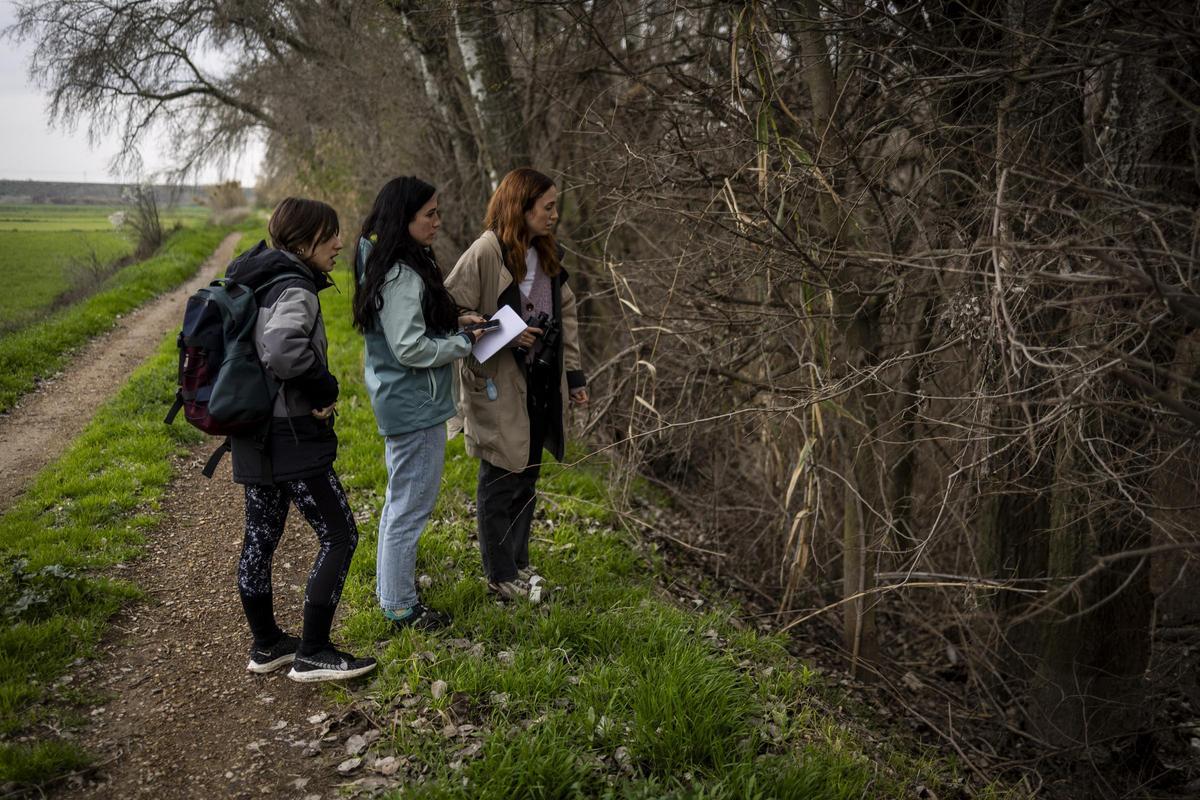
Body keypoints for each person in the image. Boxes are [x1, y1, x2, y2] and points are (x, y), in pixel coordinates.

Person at [227, 197, 376, 683]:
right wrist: (324, 388)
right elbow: (283, 349)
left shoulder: (258, 280)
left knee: (261, 538)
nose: (338, 244)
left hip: (253, 431)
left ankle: (267, 644)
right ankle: (314, 651)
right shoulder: (295, 286)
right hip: (291, 433)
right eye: (330, 234)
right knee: (341, 534)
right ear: (304, 238)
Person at [445, 167, 589, 601]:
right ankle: (499, 573)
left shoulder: (549, 254)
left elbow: (568, 319)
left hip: (542, 380)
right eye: (547, 207)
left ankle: (518, 563)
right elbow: (448, 311)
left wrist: (575, 378)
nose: (555, 215)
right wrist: (505, 331)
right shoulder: (486, 252)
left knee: (527, 474)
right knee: (499, 475)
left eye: (554, 206)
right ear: (521, 208)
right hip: (499, 380)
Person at [352, 177, 485, 630]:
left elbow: (410, 326)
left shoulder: (391, 263)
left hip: (404, 401)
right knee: (409, 508)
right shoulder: (401, 272)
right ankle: (400, 605)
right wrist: (463, 343)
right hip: (414, 405)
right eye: (429, 213)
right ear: (404, 217)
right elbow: (409, 348)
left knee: (401, 504)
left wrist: (454, 322)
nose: (437, 221)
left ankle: (393, 592)